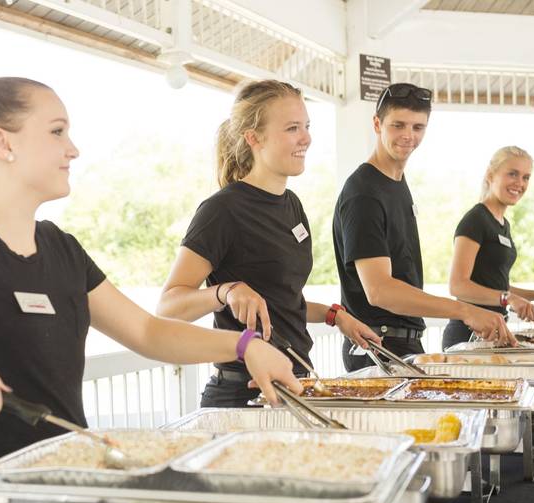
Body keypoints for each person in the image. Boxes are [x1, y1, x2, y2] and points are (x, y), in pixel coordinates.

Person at [0, 77, 300, 500]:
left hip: (61, 481)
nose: (73, 149)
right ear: (3, 143)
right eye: (57, 132)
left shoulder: (61, 248)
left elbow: (149, 332)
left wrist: (244, 345)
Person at [156, 80, 380, 407]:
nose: (306, 138)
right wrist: (226, 290)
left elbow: (282, 302)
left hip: (294, 386)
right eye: (292, 128)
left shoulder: (292, 205)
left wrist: (336, 316)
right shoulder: (222, 211)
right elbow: (167, 308)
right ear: (253, 138)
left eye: (307, 126)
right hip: (242, 396)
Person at [332, 82, 515, 371]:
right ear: (377, 124)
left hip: (402, 342)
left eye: (418, 128)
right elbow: (379, 291)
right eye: (398, 125)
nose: (408, 136)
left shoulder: (395, 182)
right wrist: (465, 311)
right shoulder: (364, 193)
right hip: (377, 346)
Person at [442, 146, 534, 349]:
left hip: (492, 334)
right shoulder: (476, 219)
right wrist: (507, 298)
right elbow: (458, 285)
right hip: (467, 336)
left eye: (526, 177)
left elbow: (494, 284)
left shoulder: (503, 224)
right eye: (512, 174)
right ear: (490, 175)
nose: (519, 183)